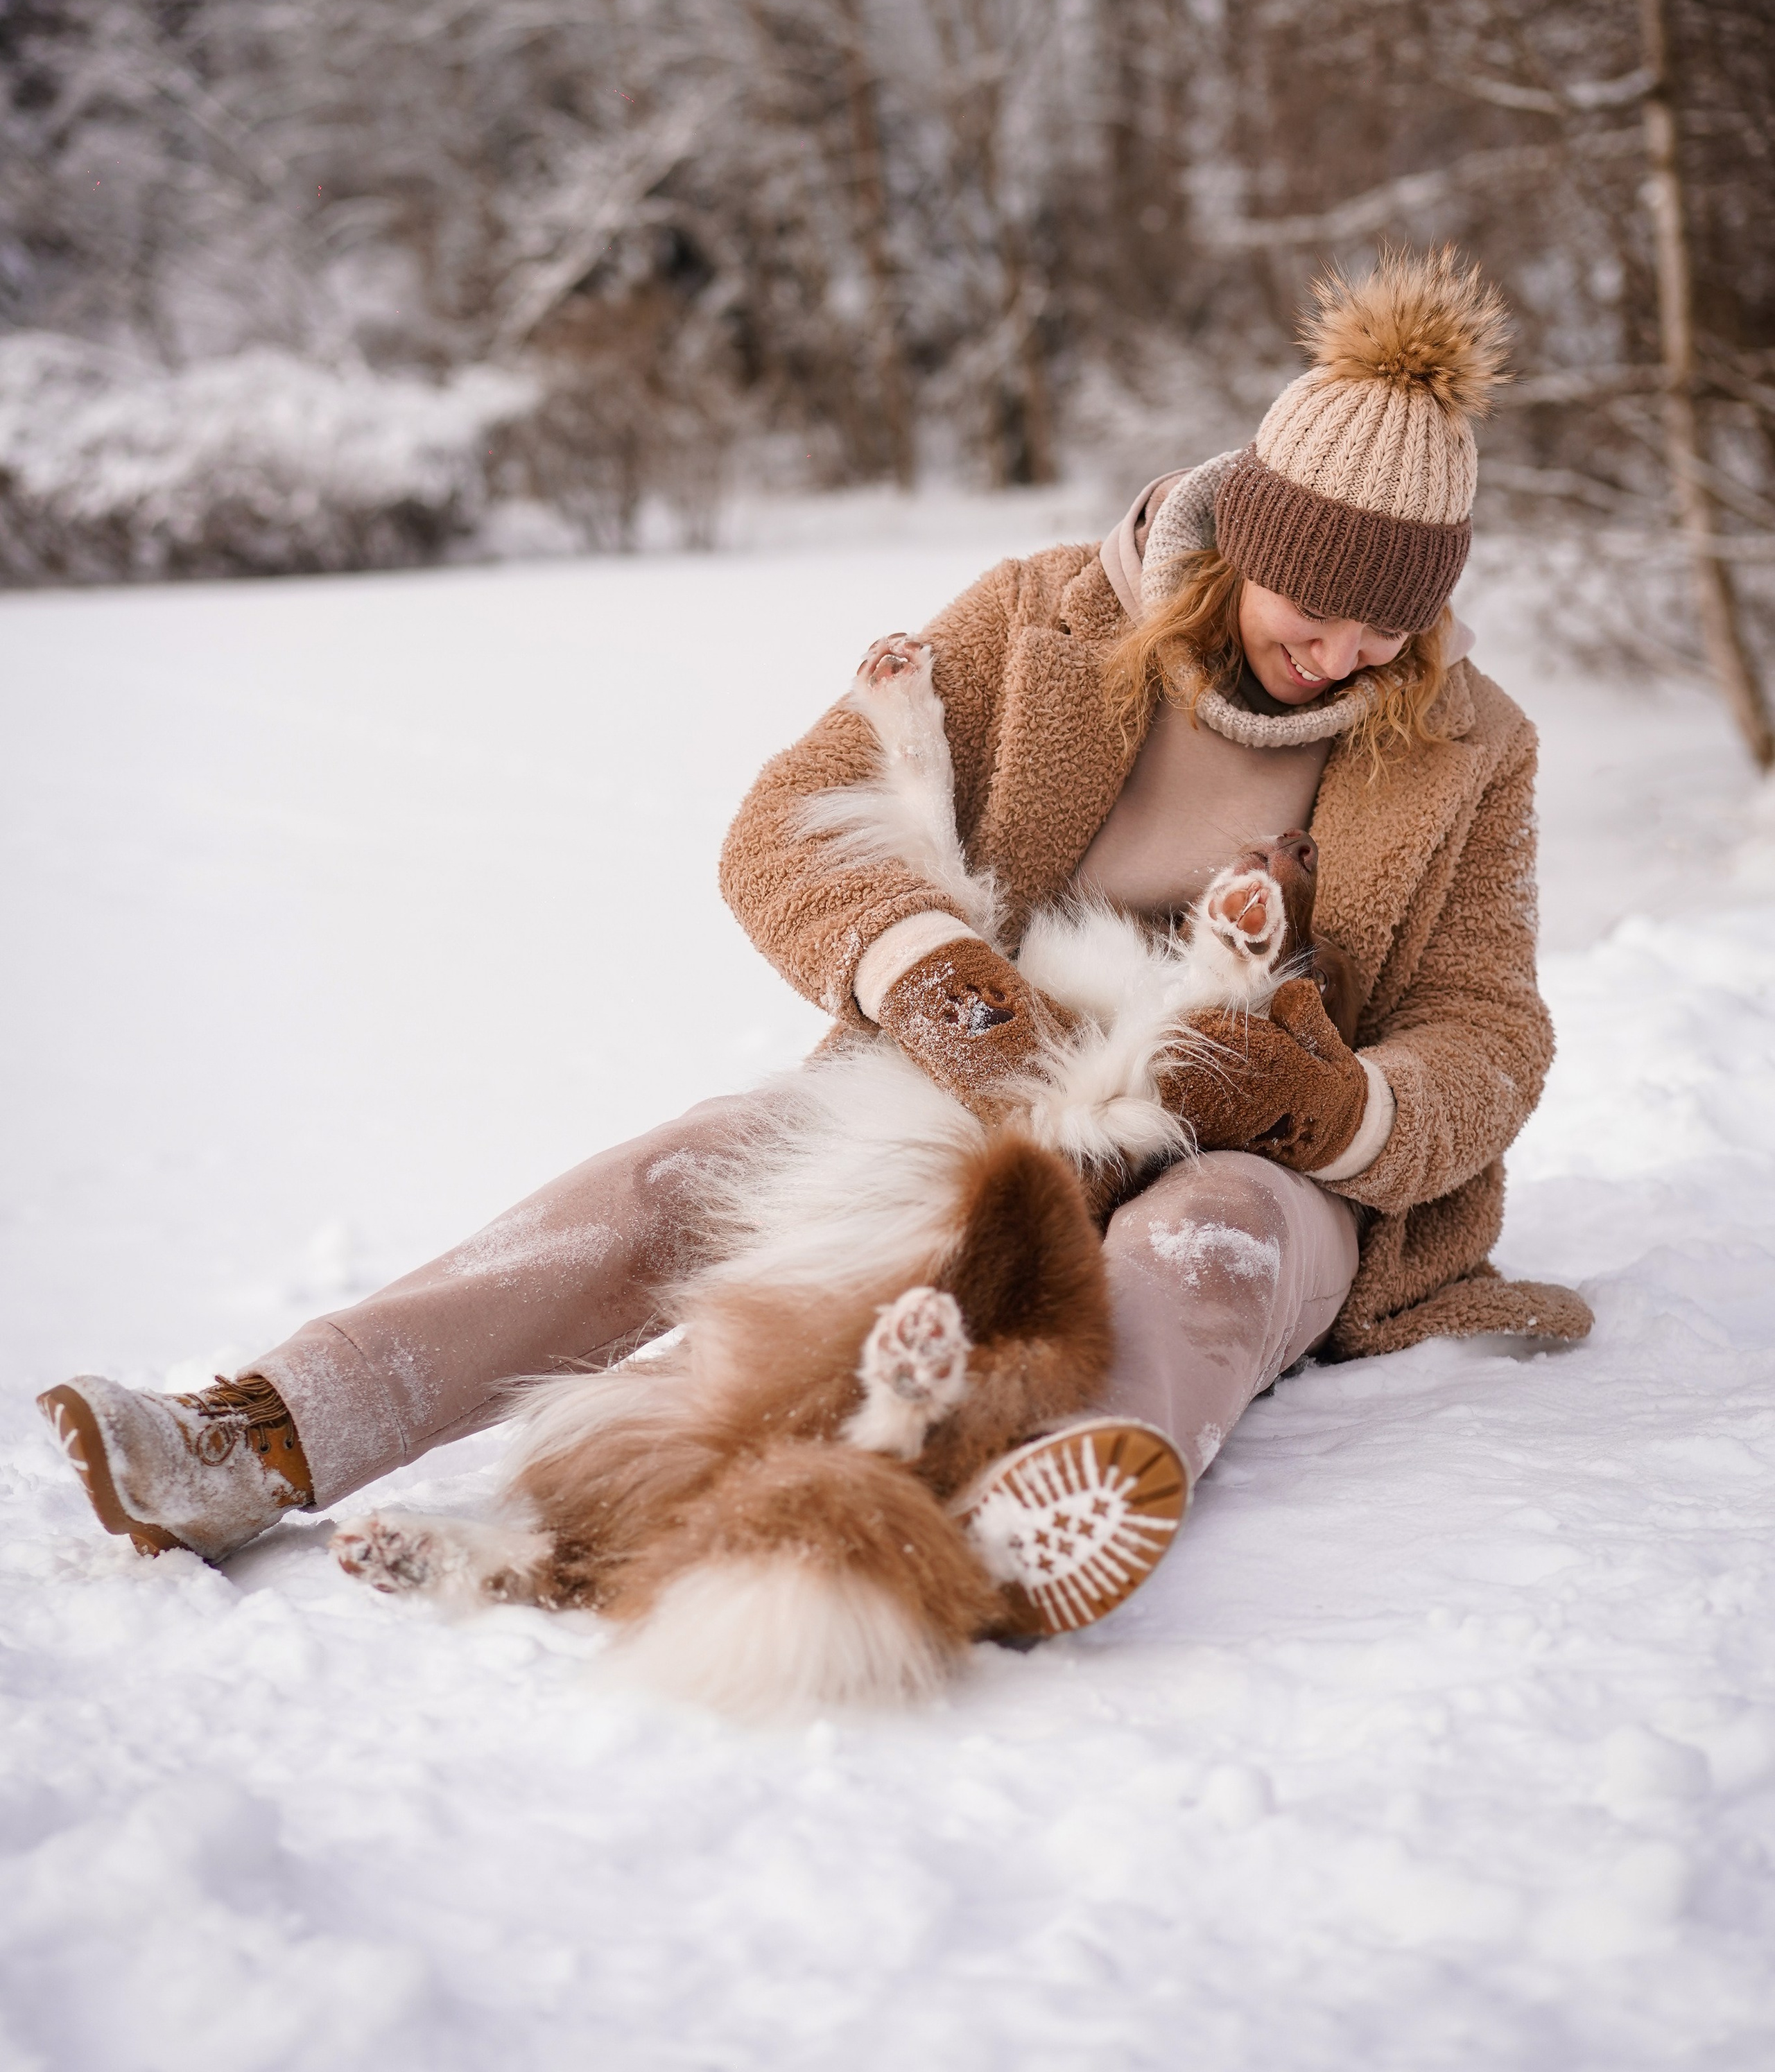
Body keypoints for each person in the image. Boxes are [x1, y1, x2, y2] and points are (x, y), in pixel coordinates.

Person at [39, 246, 1590, 1631]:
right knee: (691, 1170)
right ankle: (264, 1433)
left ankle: (1042, 1503)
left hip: (1251, 1132)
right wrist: (933, 976)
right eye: (1305, 609)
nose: (1339, 657)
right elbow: (785, 820)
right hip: (988, 1068)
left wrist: (1343, 1108)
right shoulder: (1040, 622)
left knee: (1198, 1254)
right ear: (1236, 539)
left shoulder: (1470, 751)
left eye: (1383, 628)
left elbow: (1486, 1029)